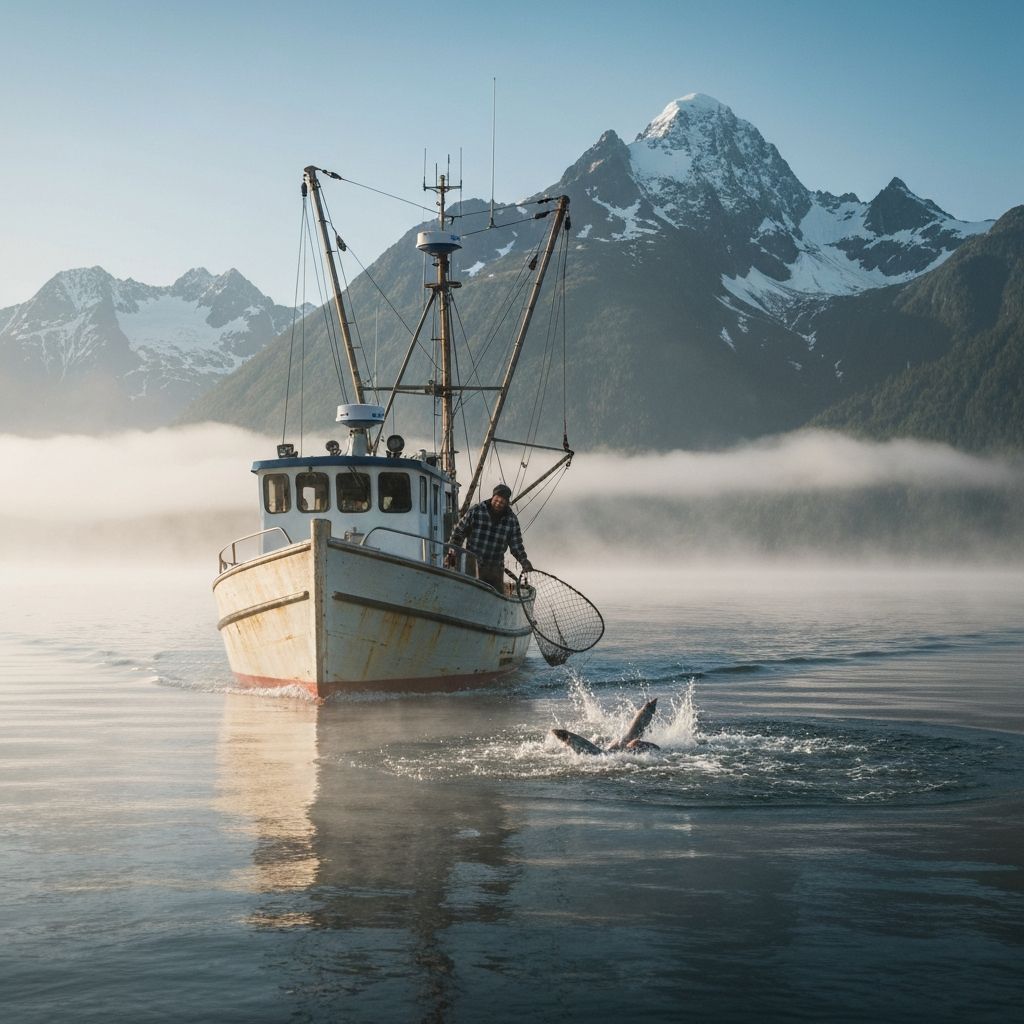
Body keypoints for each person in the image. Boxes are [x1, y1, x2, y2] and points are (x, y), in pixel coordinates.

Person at [444, 483, 533, 592]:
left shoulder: (511, 520)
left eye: (502, 502)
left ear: (507, 503)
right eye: (497, 500)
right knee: (470, 591)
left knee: (495, 594)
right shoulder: (476, 511)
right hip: (473, 563)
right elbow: (458, 533)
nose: (498, 503)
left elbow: (516, 546)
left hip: (495, 568)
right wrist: (452, 553)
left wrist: (524, 561)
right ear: (492, 497)